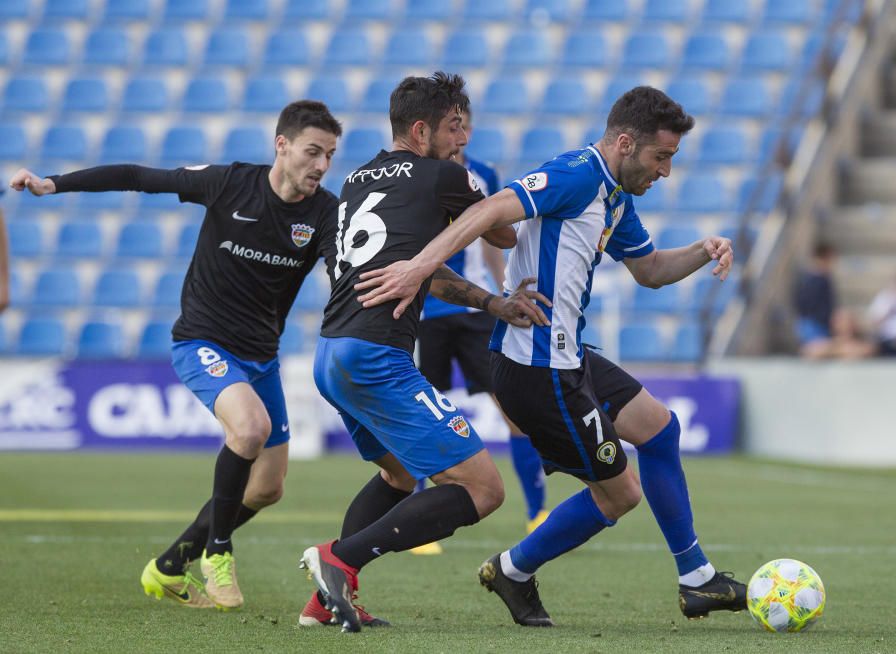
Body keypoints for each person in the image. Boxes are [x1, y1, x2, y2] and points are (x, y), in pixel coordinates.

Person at [352, 86, 747, 626]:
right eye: (662, 157)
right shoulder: (577, 173)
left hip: (568, 354)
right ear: (626, 143)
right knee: (620, 493)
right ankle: (513, 570)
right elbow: (492, 208)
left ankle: (696, 579)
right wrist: (419, 268)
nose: (666, 171)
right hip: (537, 367)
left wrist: (703, 251)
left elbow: (651, 270)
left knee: (661, 430)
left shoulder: (614, 195)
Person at [9, 100, 345, 611]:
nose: (321, 165)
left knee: (269, 487)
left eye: (330, 155)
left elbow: (339, 268)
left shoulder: (325, 212)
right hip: (202, 342)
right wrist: (54, 183)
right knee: (249, 430)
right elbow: (138, 175)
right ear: (282, 146)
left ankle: (168, 566)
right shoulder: (229, 183)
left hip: (262, 357)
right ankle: (217, 551)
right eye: (312, 152)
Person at [297, 72, 552, 632]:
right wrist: (474, 184)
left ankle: (323, 602)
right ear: (421, 130)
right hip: (375, 355)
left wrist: (490, 302)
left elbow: (421, 274)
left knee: (395, 477)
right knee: (483, 489)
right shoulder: (442, 175)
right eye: (455, 129)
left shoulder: (361, 180)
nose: (463, 140)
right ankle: (340, 559)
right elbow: (504, 234)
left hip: (332, 356)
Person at [414, 107, 547, 552]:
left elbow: (496, 240)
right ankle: (417, 515)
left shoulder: (484, 175)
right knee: (420, 414)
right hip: (428, 310)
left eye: (464, 125)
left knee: (513, 408)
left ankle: (537, 511)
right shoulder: (423, 175)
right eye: (453, 126)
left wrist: (502, 290)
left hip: (475, 311)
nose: (462, 134)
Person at [794, 242, 837, 355]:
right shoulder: (815, 279)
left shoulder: (815, 278)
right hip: (814, 323)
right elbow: (804, 303)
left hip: (817, 322)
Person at [800, 308, 875, 360]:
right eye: (840, 322)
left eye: (847, 321)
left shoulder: (865, 342)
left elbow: (864, 352)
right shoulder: (830, 342)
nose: (844, 325)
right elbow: (809, 351)